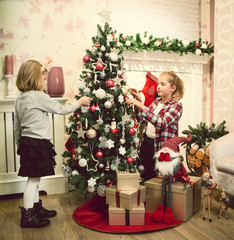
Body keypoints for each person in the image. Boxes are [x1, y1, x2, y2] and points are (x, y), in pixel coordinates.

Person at [14, 60, 90, 228]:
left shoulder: (20, 99)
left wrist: (20, 144)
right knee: (33, 180)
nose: (46, 82)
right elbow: (61, 109)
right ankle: (27, 215)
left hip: (28, 143)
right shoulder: (38, 96)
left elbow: (17, 127)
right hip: (37, 142)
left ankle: (34, 209)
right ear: (36, 78)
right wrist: (80, 102)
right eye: (45, 79)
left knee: (35, 178)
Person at [127, 71, 184, 181]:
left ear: (173, 88)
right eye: (158, 84)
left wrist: (142, 106)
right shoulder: (156, 102)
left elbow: (161, 123)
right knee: (145, 175)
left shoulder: (176, 106)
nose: (158, 87)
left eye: (163, 84)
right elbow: (142, 119)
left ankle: (161, 198)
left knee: (160, 179)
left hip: (162, 148)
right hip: (147, 144)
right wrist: (139, 102)